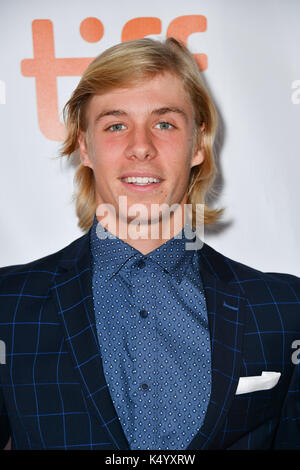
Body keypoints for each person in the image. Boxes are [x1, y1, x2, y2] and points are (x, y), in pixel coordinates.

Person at [0, 37, 299, 451]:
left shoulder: (283, 308)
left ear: (198, 144)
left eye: (165, 123)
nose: (141, 147)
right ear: (85, 146)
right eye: (116, 125)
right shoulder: (7, 305)